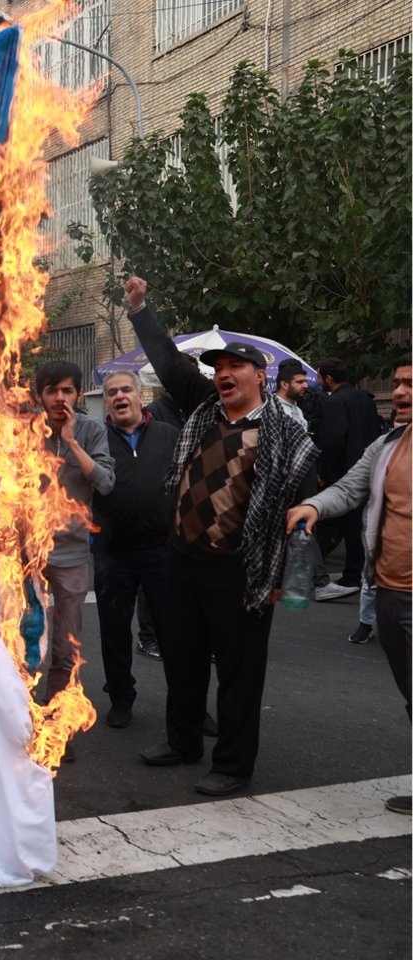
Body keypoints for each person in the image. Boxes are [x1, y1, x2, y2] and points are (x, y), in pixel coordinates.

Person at [125, 276, 318, 797]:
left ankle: (233, 764)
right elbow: (169, 363)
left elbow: (300, 512)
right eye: (218, 368)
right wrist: (140, 309)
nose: (224, 374)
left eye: (235, 367)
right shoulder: (203, 409)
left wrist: (279, 577)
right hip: (184, 559)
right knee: (183, 659)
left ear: (260, 376)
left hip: (241, 569)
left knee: (239, 672)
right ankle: (183, 741)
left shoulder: (286, 432)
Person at [287, 356, 411, 814]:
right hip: (388, 591)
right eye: (397, 383)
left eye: (410, 384)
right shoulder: (388, 445)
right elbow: (349, 488)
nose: (400, 392)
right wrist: (314, 506)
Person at [90, 371, 178, 730]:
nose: (119, 396)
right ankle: (120, 698)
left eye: (126, 390)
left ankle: (187, 704)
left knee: (176, 633)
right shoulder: (97, 438)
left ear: (141, 396)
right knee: (114, 630)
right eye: (112, 392)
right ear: (107, 402)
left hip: (162, 549)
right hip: (113, 552)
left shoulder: (168, 435)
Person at [32, 360, 114, 728]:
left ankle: (55, 727)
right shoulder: (24, 431)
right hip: (26, 554)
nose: (60, 398)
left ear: (79, 394)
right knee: (21, 642)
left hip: (71, 554)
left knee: (66, 649)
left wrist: (69, 441)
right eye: (52, 390)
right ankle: (17, 721)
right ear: (41, 395)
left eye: (67, 390)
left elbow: (106, 483)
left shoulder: (91, 429)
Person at [311, 358, 384, 600]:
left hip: (342, 474)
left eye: (319, 376)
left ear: (329, 378)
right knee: (354, 527)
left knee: (326, 523)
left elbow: (332, 440)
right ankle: (352, 575)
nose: (318, 381)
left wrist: (324, 472)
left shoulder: (335, 401)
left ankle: (314, 573)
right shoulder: (365, 399)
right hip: (367, 470)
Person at [272, 359, 309, 431]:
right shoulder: (272, 409)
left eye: (305, 381)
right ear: (284, 384)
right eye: (300, 382)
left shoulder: (298, 410)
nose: (305, 386)